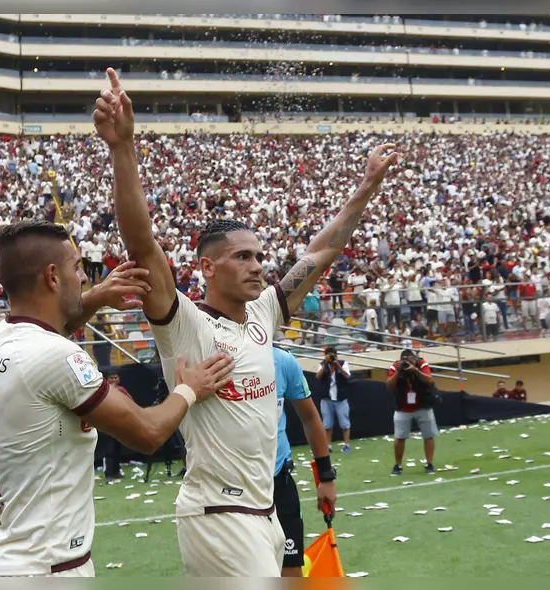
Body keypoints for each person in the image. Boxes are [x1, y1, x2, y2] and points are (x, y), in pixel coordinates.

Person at [95, 67, 394, 577]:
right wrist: (122, 149)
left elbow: (323, 250)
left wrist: (365, 187)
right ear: (208, 267)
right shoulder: (184, 322)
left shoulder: (264, 314)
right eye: (243, 257)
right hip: (218, 515)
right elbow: (142, 243)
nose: (258, 264)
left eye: (260, 254)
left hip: (265, 512)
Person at [0, 220, 234, 578]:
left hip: (16, 560)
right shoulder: (55, 356)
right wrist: (190, 388)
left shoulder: (2, 338)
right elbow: (147, 432)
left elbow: (52, 325)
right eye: (77, 267)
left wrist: (98, 296)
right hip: (49, 569)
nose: (83, 279)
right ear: (52, 277)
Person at [272, 347, 336, 578]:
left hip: (279, 482)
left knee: (289, 568)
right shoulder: (213, 358)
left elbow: (309, 416)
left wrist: (326, 477)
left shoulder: (281, 360)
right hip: (232, 491)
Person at [386, 349, 438, 475]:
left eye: (410, 360)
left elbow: (430, 380)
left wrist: (416, 371)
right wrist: (398, 371)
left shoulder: (421, 364)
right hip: (403, 407)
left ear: (415, 359)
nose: (407, 363)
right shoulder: (395, 366)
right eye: (405, 360)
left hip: (423, 405)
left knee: (428, 435)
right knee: (399, 436)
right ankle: (398, 465)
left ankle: (429, 463)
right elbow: (389, 385)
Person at [315, 346, 353, 454]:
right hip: (327, 399)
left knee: (345, 423)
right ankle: (328, 446)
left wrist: (337, 366)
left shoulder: (343, 363)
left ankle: (346, 445)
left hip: (341, 399)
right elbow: (317, 376)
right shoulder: (323, 364)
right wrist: (326, 364)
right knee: (327, 424)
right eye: (328, 355)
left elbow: (347, 376)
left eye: (332, 355)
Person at [101, 372, 132, 482]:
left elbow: (130, 401)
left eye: (115, 377)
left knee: (117, 449)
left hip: (119, 423)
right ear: (106, 379)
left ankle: (116, 471)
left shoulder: (121, 389)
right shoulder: (103, 390)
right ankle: (108, 473)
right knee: (109, 450)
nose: (113, 380)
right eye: (111, 378)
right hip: (107, 424)